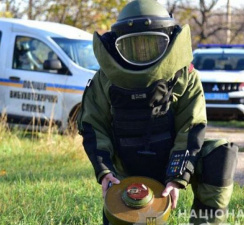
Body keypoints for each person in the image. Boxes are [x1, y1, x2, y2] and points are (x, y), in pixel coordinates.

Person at [77, 0, 238, 224]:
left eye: (152, 45)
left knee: (220, 154)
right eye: (132, 47)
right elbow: (93, 126)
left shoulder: (185, 77)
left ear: (169, 40)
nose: (142, 52)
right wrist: (105, 172)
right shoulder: (104, 79)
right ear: (116, 46)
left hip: (172, 161)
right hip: (124, 170)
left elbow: (190, 129)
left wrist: (177, 178)